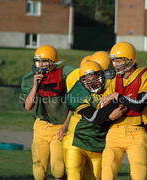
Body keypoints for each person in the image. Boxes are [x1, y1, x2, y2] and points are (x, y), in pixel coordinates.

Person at [100, 42, 147, 180]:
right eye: (113, 61)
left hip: (136, 131)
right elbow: (104, 107)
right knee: (107, 173)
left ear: (130, 60)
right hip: (114, 131)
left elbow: (139, 105)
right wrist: (109, 115)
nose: (115, 64)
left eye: (118, 60)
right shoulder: (113, 80)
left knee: (138, 175)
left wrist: (118, 96)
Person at [62, 60, 126, 180]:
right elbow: (93, 117)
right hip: (77, 141)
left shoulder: (111, 85)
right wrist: (112, 110)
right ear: (82, 81)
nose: (93, 81)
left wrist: (116, 99)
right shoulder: (77, 92)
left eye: (95, 76)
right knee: (74, 176)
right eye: (88, 79)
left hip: (99, 143)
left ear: (102, 75)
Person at [21, 45, 74, 180]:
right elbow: (28, 106)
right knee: (39, 171)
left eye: (45, 61)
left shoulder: (64, 74)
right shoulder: (31, 78)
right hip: (41, 126)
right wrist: (35, 86)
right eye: (39, 61)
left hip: (59, 127)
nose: (41, 64)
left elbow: (73, 104)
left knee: (58, 169)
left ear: (53, 62)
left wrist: (66, 125)